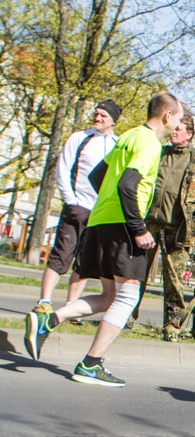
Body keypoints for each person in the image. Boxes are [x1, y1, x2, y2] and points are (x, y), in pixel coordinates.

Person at [24, 93, 183, 386]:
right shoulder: (150, 143)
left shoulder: (129, 135)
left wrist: (108, 204)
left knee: (109, 297)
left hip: (101, 220)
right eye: (179, 117)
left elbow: (97, 175)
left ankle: (49, 320)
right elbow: (127, 185)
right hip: (123, 225)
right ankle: (90, 364)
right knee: (127, 297)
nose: (179, 124)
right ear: (167, 115)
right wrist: (138, 228)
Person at [132, 112, 195, 339]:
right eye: (173, 128)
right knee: (137, 273)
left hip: (177, 229)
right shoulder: (159, 153)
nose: (173, 132)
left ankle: (172, 325)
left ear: (189, 134)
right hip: (149, 224)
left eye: (178, 129)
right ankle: (127, 315)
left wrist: (192, 224)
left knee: (174, 280)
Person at [32, 100, 121, 314]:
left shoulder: (117, 144)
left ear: (113, 121)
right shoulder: (79, 138)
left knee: (83, 262)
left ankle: (71, 307)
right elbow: (63, 169)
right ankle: (44, 301)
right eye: (96, 114)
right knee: (61, 254)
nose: (98, 118)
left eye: (103, 116)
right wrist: (70, 200)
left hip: (99, 212)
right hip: (77, 207)